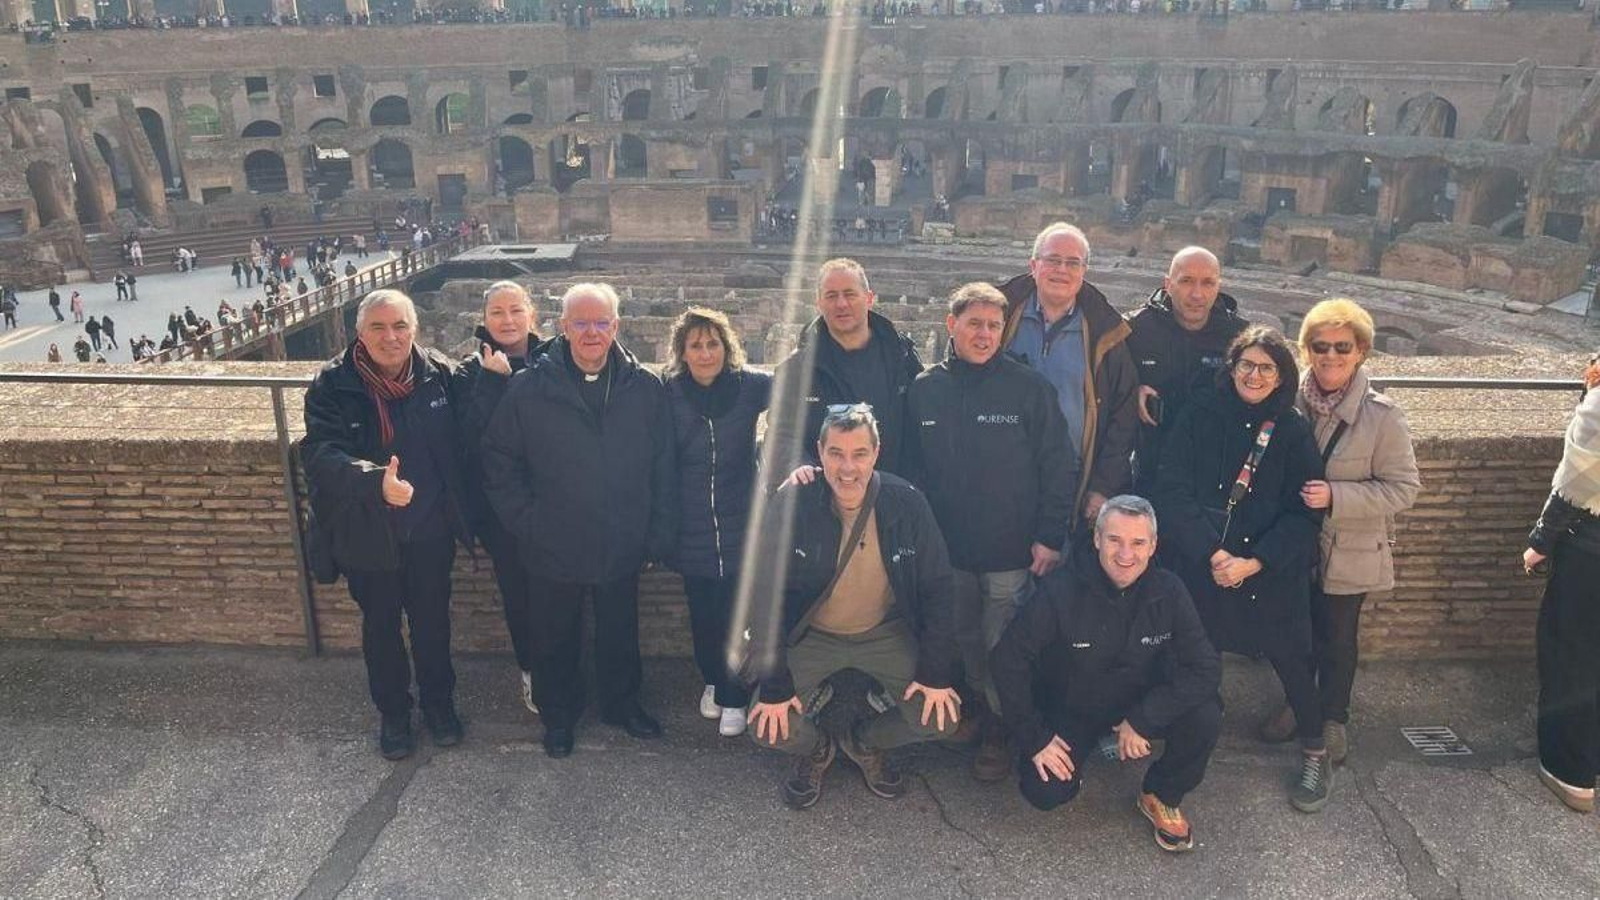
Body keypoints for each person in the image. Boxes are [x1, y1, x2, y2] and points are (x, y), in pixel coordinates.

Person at [482, 283, 677, 759]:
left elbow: (663, 465)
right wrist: (529, 523)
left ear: (617, 326)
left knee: (619, 630)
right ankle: (558, 717)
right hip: (553, 540)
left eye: (602, 322)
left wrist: (654, 533)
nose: (592, 332)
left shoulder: (645, 388)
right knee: (553, 636)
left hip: (621, 537)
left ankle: (621, 704)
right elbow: (500, 462)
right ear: (563, 327)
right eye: (582, 323)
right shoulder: (527, 389)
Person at [1152, 326, 1331, 812]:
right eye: (1246, 365)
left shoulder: (1291, 430)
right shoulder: (1198, 415)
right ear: (1231, 369)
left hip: (1268, 572)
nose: (1254, 375)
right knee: (1196, 659)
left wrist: (1254, 562)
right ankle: (1191, 742)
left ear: (1282, 376)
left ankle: (1316, 751)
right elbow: (1171, 490)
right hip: (1205, 565)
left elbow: (1306, 512)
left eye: (1266, 367)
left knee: (1293, 662)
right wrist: (1213, 555)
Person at [747, 405, 960, 809]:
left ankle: (863, 740)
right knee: (766, 726)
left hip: (883, 630)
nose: (848, 468)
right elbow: (764, 594)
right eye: (836, 453)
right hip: (814, 633)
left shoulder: (907, 503)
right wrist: (775, 682)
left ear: (876, 453)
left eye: (859, 454)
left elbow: (938, 588)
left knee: (942, 718)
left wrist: (935, 670)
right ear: (819, 453)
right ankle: (818, 746)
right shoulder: (795, 503)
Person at [904, 282, 1076, 781]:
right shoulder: (924, 389)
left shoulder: (1028, 389)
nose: (984, 334)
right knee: (961, 637)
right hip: (947, 551)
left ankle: (1002, 727)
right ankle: (976, 710)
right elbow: (911, 473)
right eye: (974, 323)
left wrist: (1050, 536)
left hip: (1010, 552)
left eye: (994, 325)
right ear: (950, 325)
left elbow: (1058, 466)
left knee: (1002, 643)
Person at [989, 495, 1221, 852]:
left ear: (1153, 545)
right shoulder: (1059, 591)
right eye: (1114, 540)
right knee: (1044, 791)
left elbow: (1205, 668)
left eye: (1138, 543)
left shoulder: (1170, 590)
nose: (1125, 554)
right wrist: (1034, 736)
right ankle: (1081, 759)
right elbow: (1008, 659)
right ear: (1097, 539)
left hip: (1138, 703)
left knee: (1205, 713)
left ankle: (1160, 793)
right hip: (1072, 708)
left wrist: (1146, 717)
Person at [301, 289, 473, 761]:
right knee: (380, 629)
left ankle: (440, 707)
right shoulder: (333, 385)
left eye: (399, 326)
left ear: (414, 330)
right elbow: (318, 453)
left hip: (430, 529)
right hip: (367, 529)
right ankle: (394, 714)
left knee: (432, 626)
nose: (390, 336)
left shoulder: (438, 375)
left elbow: (473, 428)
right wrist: (375, 482)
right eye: (378, 327)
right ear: (359, 334)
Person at [1257, 299, 1420, 764]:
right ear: (1305, 351)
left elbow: (1404, 489)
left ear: (1361, 351)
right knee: (1294, 631)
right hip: (1293, 543)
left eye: (1341, 347)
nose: (1330, 355)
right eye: (1319, 346)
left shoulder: (1382, 416)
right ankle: (1298, 703)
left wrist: (1336, 496)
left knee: (1337, 639)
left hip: (1348, 548)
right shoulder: (1285, 403)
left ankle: (1333, 718)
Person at [663, 307, 772, 738]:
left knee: (733, 616)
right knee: (702, 614)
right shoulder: (668, 393)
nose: (706, 352)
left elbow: (801, 388)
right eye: (696, 345)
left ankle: (733, 696)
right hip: (688, 525)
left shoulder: (750, 387)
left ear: (727, 348)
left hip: (740, 521)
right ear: (682, 352)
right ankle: (712, 678)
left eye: (713, 343)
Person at [999, 222, 1139, 535]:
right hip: (998, 476)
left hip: (1072, 483)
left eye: (1072, 263)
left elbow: (1124, 416)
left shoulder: (1106, 334)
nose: (1062, 270)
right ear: (1033, 266)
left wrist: (1103, 485)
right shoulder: (997, 318)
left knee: (1056, 570)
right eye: (1052, 260)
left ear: (1084, 270)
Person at [450, 281, 548, 718]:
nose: (507, 321)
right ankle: (531, 669)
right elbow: (467, 440)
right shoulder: (470, 372)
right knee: (519, 593)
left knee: (560, 590)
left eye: (515, 311)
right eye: (497, 313)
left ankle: (561, 670)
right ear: (484, 319)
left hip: (556, 501)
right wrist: (493, 382)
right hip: (500, 510)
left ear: (532, 315)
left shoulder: (555, 359)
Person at [767, 258, 922, 487]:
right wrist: (798, 465)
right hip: (823, 502)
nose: (841, 304)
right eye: (831, 296)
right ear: (819, 303)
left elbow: (919, 431)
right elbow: (781, 436)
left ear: (869, 298)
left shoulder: (903, 359)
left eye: (850, 294)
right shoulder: (795, 371)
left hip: (891, 500)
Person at [1524, 352, 1600, 813]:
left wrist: (1540, 541)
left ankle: (1570, 771)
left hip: (1591, 551)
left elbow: (1580, 479)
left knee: (1571, 656)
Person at [1125, 246, 1247, 492]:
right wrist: (1130, 391)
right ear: (1168, 284)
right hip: (1146, 470)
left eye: (1208, 283)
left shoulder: (1241, 337)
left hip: (1211, 475)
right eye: (1187, 281)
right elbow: (1101, 390)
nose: (1197, 294)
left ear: (1218, 287)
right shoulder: (1133, 330)